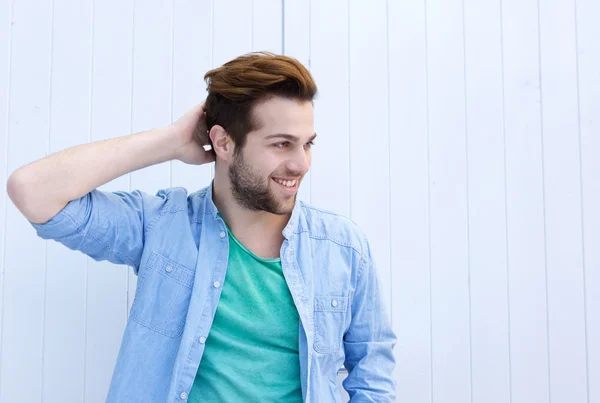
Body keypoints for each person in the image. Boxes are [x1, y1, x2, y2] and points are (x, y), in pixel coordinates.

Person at [7, 52, 396, 402]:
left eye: (307, 143)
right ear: (223, 144)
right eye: (281, 145)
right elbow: (32, 191)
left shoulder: (343, 248)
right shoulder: (161, 225)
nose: (301, 164)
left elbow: (372, 377)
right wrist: (173, 141)